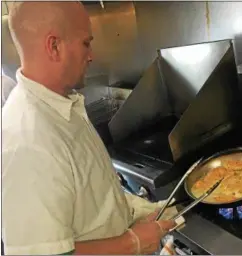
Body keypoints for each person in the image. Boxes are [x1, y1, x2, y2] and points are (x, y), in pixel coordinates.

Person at [2, 1, 176, 255]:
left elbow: (91, 198)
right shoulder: (27, 141)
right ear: (54, 46)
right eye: (86, 42)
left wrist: (138, 211)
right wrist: (132, 243)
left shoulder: (63, 106)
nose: (91, 55)